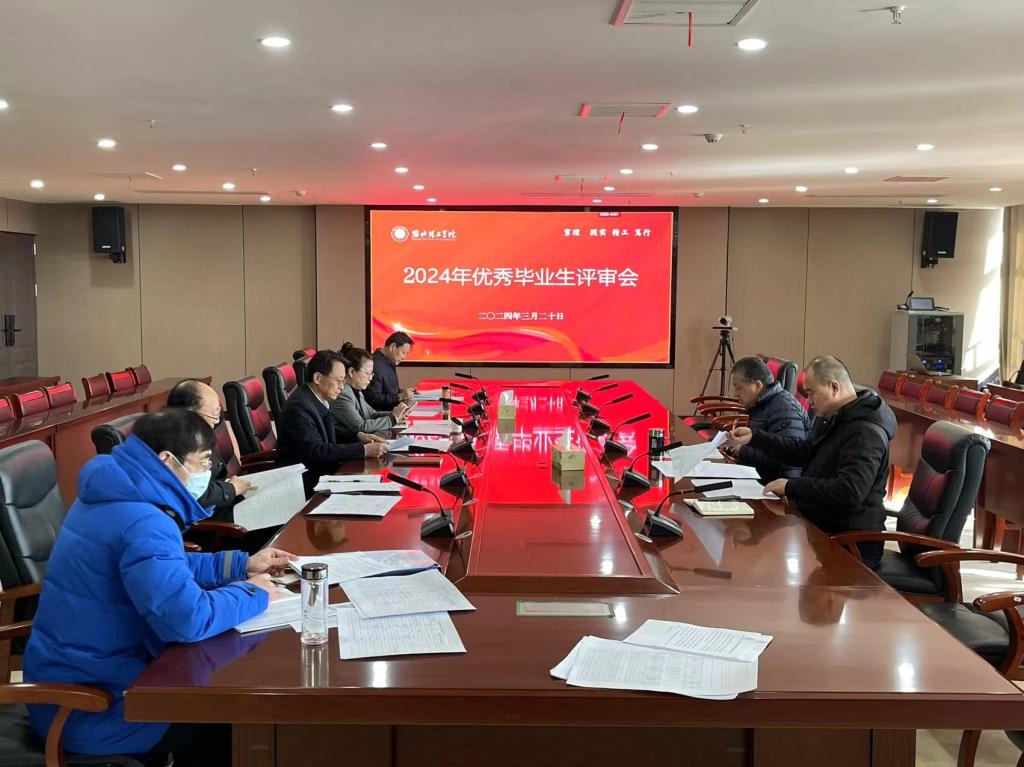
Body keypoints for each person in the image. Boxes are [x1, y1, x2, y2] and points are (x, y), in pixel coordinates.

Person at [23, 408, 295, 764]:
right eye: (203, 462)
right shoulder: (143, 520)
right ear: (167, 460)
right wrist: (253, 593)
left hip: (69, 681)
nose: (207, 472)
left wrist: (241, 565)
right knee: (231, 721)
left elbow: (164, 567)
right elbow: (187, 619)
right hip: (94, 706)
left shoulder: (112, 492)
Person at [725, 355, 897, 568]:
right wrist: (756, 438)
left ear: (834, 387)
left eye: (812, 393)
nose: (809, 400)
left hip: (849, 542)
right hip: (819, 524)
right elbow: (805, 452)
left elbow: (849, 492)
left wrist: (791, 486)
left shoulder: (866, 433)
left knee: (766, 560)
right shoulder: (834, 416)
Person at [276, 349, 388, 495]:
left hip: (323, 473)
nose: (342, 387)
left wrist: (358, 436)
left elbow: (328, 430)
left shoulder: (317, 397)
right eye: (339, 381)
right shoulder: (300, 407)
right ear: (318, 378)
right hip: (305, 484)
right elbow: (317, 451)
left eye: (343, 381)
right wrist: (363, 450)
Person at [167, 378, 252, 520]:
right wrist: (231, 489)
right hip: (208, 519)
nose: (217, 421)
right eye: (214, 414)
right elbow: (193, 495)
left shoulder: (196, 434)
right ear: (190, 414)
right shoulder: (175, 444)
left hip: (222, 499)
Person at [721, 357, 809, 483]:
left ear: (757, 386)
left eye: (738, 388)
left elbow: (787, 460)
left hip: (777, 485)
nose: (735, 394)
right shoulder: (760, 403)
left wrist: (742, 451)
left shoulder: (784, 409)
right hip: (758, 474)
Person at [332, 342, 411, 436]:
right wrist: (393, 418)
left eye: (372, 374)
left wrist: (397, 413)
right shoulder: (343, 393)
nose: (370, 378)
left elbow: (371, 414)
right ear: (352, 371)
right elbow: (361, 426)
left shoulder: (356, 390)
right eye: (367, 373)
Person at [364, 331, 416, 411]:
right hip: (382, 415)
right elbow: (373, 398)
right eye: (403, 353)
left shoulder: (389, 361)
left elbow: (389, 390)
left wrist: (406, 392)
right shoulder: (374, 364)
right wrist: (400, 396)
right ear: (393, 346)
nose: (404, 357)